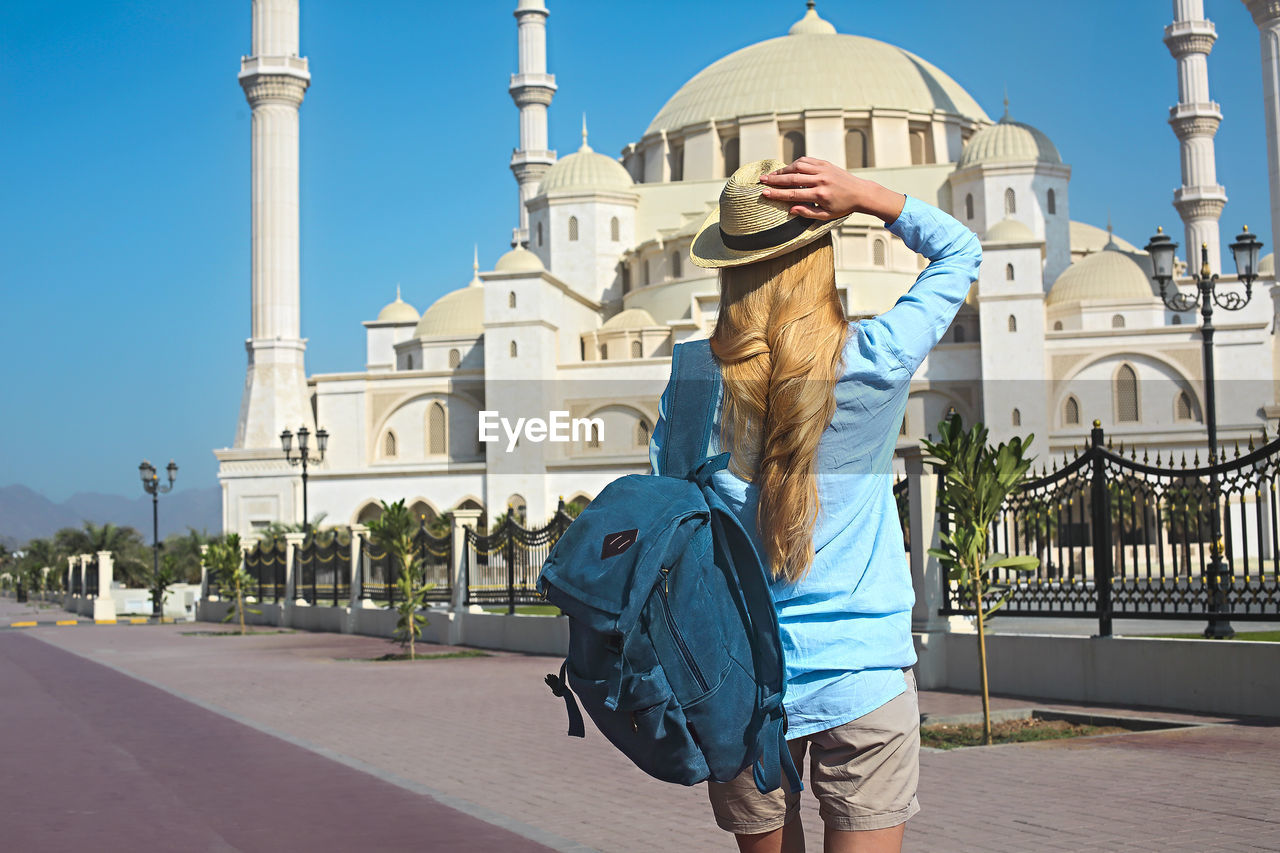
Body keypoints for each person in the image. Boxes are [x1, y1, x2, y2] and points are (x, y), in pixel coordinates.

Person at [647, 156, 982, 853]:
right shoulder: (874, 358)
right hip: (863, 678)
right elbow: (960, 249)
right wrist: (865, 197)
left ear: (726, 270)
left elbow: (670, 525)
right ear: (819, 258)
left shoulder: (692, 386)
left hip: (739, 691)